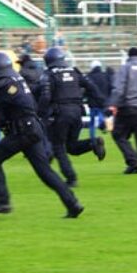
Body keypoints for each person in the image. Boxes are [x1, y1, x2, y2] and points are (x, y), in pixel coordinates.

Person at [0, 51, 84, 218]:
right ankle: (72, 204)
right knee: (45, 171)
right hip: (31, 129)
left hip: (22, 131)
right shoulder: (14, 79)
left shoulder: (4, 84)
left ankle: (3, 202)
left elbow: (11, 108)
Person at [37, 46, 106, 187]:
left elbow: (45, 96)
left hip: (60, 114)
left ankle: (71, 178)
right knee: (71, 146)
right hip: (77, 113)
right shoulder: (74, 72)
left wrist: (41, 115)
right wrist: (103, 104)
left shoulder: (49, 74)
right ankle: (93, 143)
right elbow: (91, 87)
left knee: (58, 147)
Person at [87, 59, 112, 140]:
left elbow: (86, 90)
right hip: (103, 102)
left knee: (92, 122)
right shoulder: (105, 75)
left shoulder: (89, 76)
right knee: (103, 116)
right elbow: (110, 88)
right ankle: (103, 125)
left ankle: (92, 138)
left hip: (93, 102)